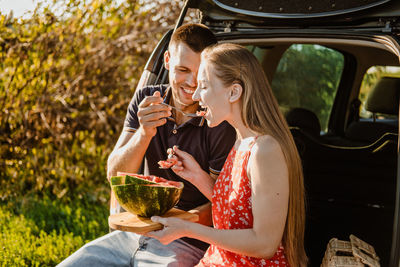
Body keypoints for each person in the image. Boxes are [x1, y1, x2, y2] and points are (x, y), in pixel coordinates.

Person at [57, 24, 236, 266]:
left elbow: (223, 203)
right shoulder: (146, 98)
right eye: (183, 69)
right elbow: (115, 175)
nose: (192, 83)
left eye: (201, 73)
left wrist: (181, 224)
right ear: (167, 60)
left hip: (187, 241)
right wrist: (144, 133)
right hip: (132, 234)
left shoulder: (218, 118)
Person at [146, 43, 308, 266]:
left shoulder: (265, 150)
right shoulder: (241, 140)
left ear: (234, 92)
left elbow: (265, 244)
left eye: (204, 86)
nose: (196, 95)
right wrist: (197, 176)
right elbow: (239, 212)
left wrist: (188, 229)